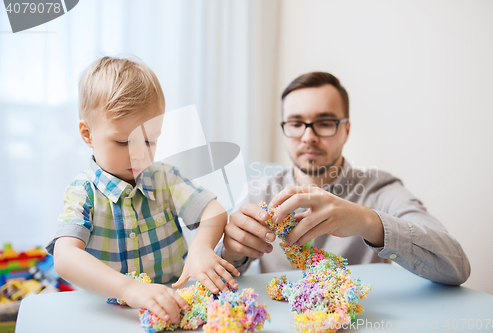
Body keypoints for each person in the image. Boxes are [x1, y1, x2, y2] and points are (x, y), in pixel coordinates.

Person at [219, 72, 470, 285]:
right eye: (296, 123)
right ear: (284, 130)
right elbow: (218, 273)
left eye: (325, 122)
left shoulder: (380, 190)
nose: (308, 137)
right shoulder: (258, 192)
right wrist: (231, 250)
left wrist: (366, 221)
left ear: (346, 131)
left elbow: (456, 266)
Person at [46, 56, 239, 325]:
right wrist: (128, 288)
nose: (139, 154)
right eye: (123, 142)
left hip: (174, 306)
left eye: (150, 140)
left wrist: (201, 248)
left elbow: (213, 210)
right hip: (109, 316)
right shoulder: (83, 192)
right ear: (87, 134)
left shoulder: (165, 178)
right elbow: (65, 257)